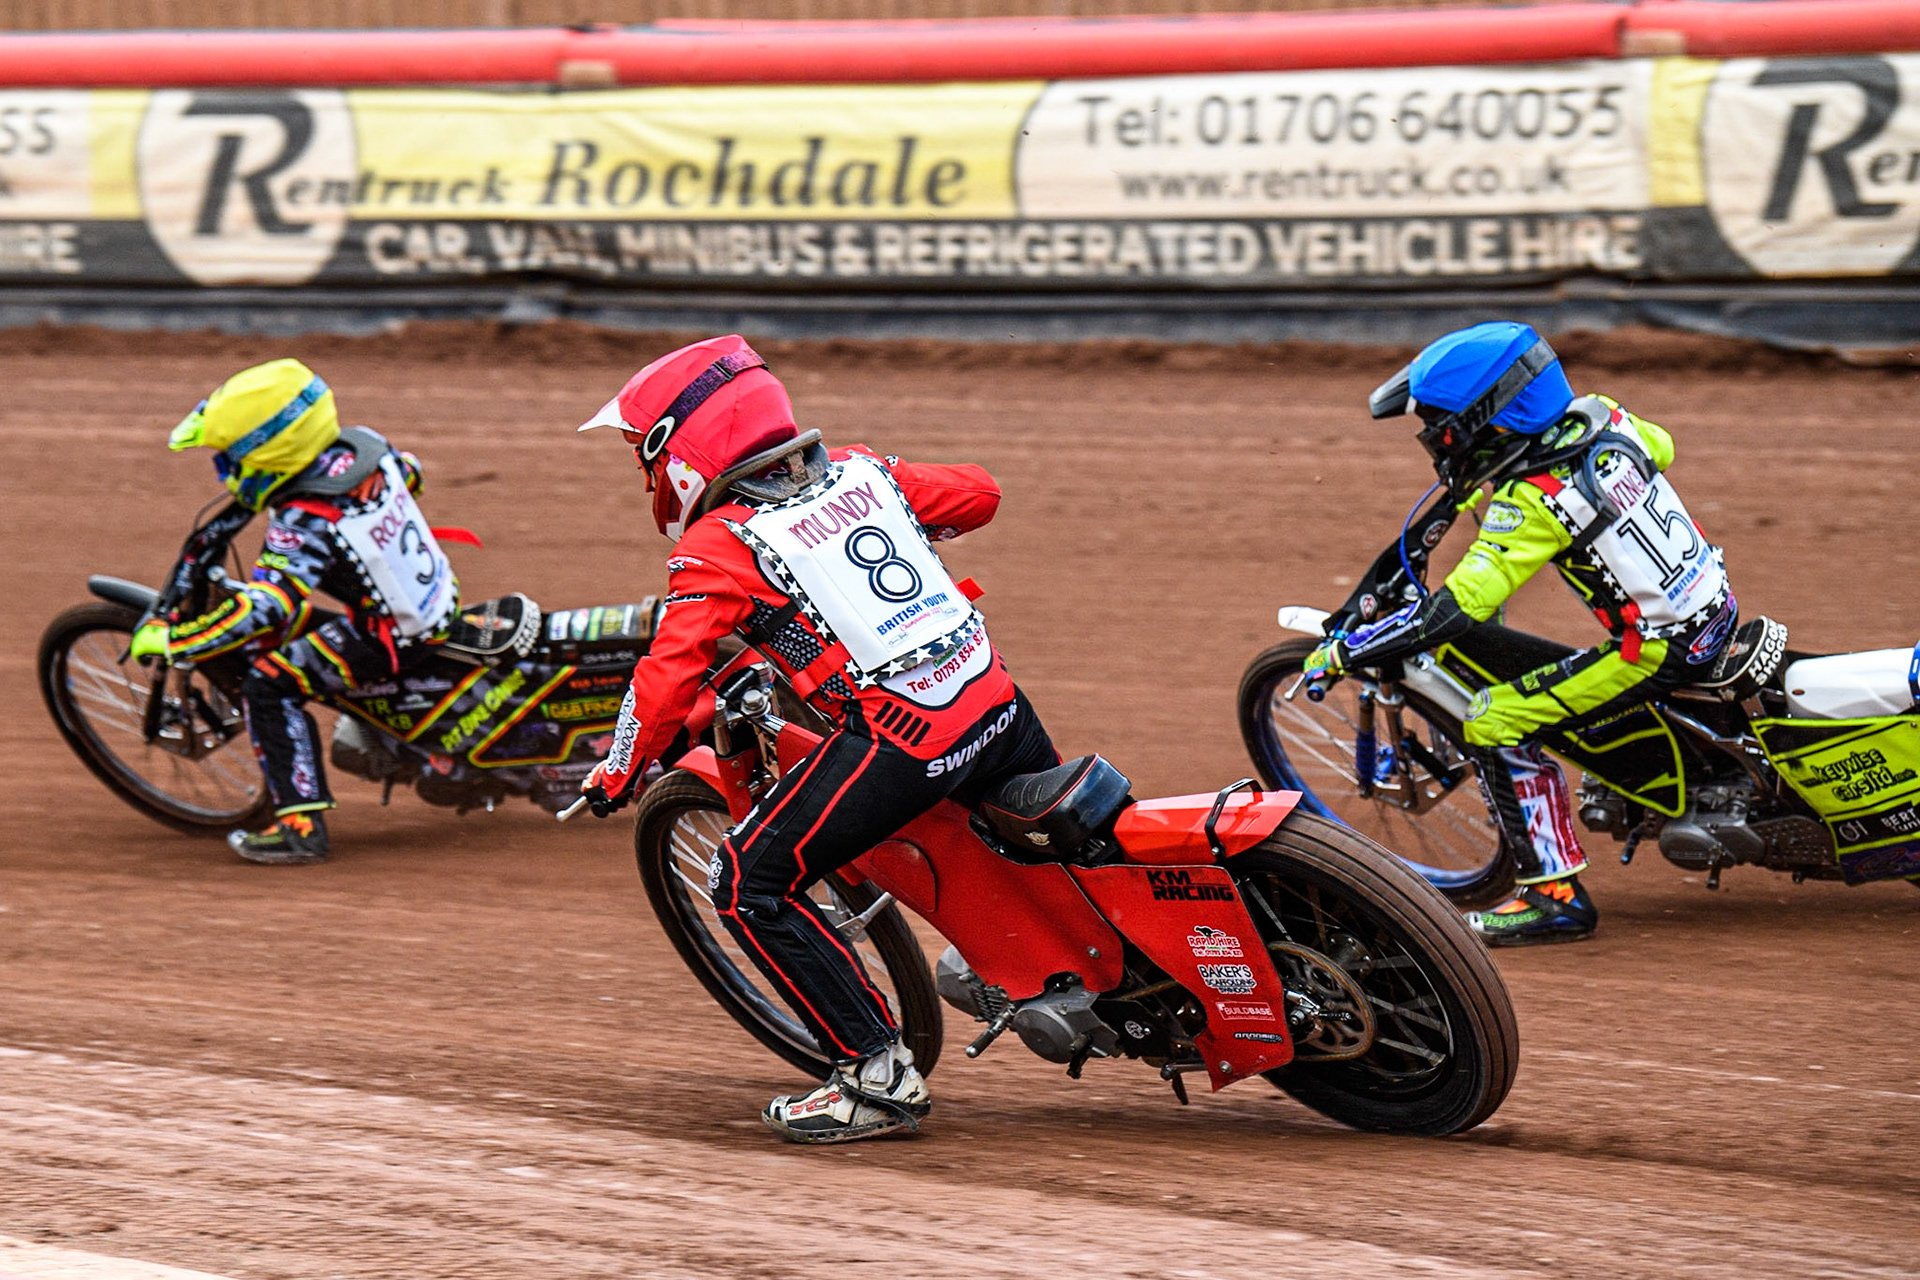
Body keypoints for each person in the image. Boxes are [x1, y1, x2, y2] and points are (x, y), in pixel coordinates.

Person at [576, 334, 1057, 1143]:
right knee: (1049, 845)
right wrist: (892, 509)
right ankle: (1049, 968)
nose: (647, 478)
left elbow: (665, 680)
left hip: (907, 742)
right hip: (1001, 706)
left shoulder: (720, 545)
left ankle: (876, 1075)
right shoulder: (868, 471)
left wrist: (617, 773)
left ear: (681, 450)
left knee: (742, 879)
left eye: (643, 456)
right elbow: (979, 495)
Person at [1303, 322, 1735, 945]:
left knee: (1493, 720)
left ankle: (1554, 895)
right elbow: (1660, 447)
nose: (1435, 441)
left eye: (1440, 426)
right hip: (1712, 608)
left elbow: (1453, 614)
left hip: (1658, 651)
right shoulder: (1607, 419)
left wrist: (1347, 651)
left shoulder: (1531, 501)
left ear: (1487, 421)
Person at [131, 358, 459, 866]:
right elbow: (410, 475)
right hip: (435, 596)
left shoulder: (303, 516)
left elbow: (269, 605)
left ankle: (299, 827)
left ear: (268, 452)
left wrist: (178, 642)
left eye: (230, 458)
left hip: (390, 635)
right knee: (292, 637)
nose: (227, 471)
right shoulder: (363, 446)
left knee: (268, 683)